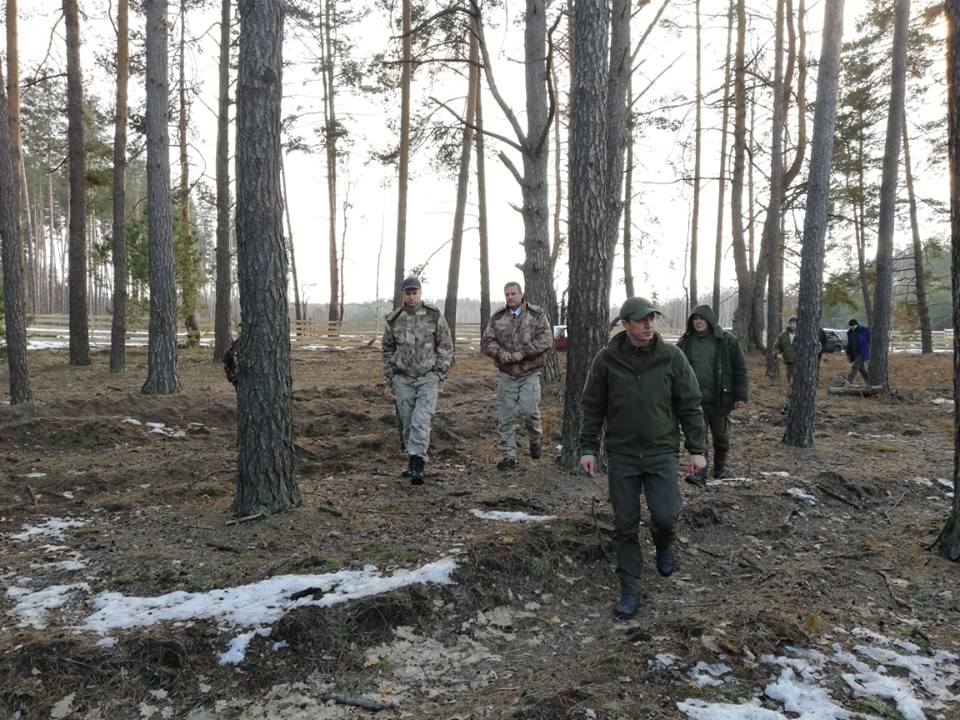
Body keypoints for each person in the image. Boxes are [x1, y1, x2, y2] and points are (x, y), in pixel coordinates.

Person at [579, 297, 706, 620]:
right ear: (625, 324)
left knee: (665, 515)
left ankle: (664, 544)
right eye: (641, 320)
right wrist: (588, 448)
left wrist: (697, 449)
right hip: (622, 454)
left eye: (652, 318)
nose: (649, 325)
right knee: (625, 525)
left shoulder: (672, 357)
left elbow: (690, 404)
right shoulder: (606, 360)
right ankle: (630, 588)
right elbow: (593, 406)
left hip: (661, 451)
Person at [381, 276, 455, 484]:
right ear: (403, 294)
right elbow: (387, 350)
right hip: (403, 378)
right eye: (408, 293)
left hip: (427, 377)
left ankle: (418, 464)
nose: (411, 297)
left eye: (415, 293)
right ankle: (411, 457)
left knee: (421, 421)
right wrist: (389, 380)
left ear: (420, 293)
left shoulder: (433, 316)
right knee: (407, 422)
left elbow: (445, 346)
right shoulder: (394, 319)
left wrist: (439, 372)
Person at [480, 281, 553, 470]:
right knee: (506, 417)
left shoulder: (536, 314)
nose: (510, 297)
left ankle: (535, 439)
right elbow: (487, 341)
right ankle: (508, 457)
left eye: (513, 293)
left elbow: (546, 339)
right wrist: (499, 353)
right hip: (507, 374)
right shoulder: (497, 317)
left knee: (530, 411)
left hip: (529, 372)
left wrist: (524, 353)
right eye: (507, 294)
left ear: (521, 295)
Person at [677, 305, 748, 485]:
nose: (698, 322)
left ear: (709, 320)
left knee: (721, 438)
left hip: (720, 400)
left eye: (701, 318)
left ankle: (719, 468)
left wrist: (740, 395)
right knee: (698, 439)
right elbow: (674, 369)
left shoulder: (726, 341)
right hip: (694, 402)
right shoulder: (685, 343)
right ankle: (700, 474)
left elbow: (740, 368)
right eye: (694, 319)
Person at [846, 318, 871, 384]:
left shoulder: (863, 330)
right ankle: (869, 381)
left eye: (853, 326)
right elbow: (849, 344)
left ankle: (849, 380)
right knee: (861, 369)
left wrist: (868, 347)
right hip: (854, 352)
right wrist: (848, 354)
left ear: (857, 325)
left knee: (855, 366)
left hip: (862, 352)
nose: (852, 327)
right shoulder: (849, 333)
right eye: (851, 326)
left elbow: (870, 338)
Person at [775, 316, 798, 383]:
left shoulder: (802, 334)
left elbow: (816, 346)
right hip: (789, 363)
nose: (792, 325)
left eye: (794, 323)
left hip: (801, 364)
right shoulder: (783, 335)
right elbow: (776, 346)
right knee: (790, 380)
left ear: (797, 324)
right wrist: (777, 354)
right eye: (790, 323)